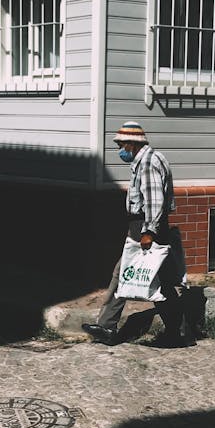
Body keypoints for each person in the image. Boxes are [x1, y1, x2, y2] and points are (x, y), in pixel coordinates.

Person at [83, 121, 188, 347]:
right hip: (147, 227)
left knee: (125, 274)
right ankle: (177, 330)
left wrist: (148, 232)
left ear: (132, 144)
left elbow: (155, 201)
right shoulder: (149, 160)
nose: (120, 150)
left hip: (146, 228)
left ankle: (107, 327)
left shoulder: (148, 163)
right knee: (154, 280)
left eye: (121, 145)